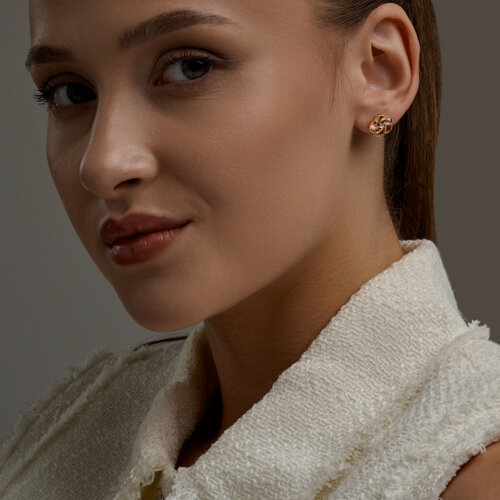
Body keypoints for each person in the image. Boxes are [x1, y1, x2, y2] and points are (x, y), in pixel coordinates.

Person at [1, 0, 499, 499]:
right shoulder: (73, 434)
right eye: (70, 92)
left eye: (189, 67)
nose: (102, 165)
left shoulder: (472, 474)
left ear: (379, 72)